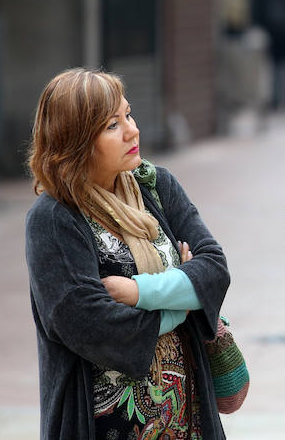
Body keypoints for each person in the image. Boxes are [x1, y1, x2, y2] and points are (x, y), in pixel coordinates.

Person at [25, 69, 231, 438]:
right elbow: (87, 322)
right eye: (111, 125)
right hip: (104, 425)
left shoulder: (156, 186)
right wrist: (182, 302)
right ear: (75, 141)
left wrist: (140, 294)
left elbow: (214, 269)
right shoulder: (55, 219)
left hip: (188, 419)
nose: (132, 131)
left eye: (128, 115)